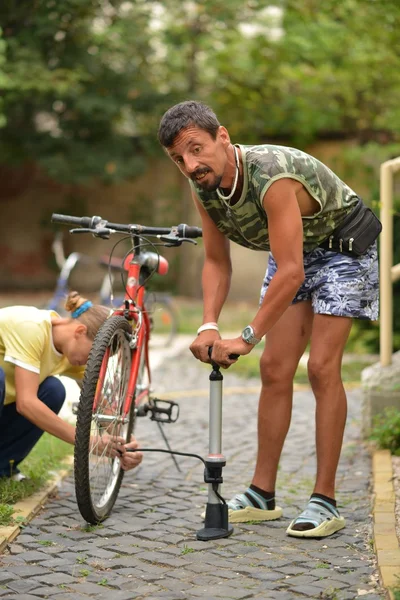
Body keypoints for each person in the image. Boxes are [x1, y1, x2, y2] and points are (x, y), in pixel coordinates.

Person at [158, 100, 380, 538]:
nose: (190, 164)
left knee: (320, 368)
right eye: (178, 159)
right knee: (274, 368)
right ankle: (263, 494)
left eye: (197, 149)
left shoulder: (269, 174)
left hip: (344, 249)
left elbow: (292, 269)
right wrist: (207, 323)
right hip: (292, 253)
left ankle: (326, 499)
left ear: (222, 136)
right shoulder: (201, 186)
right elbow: (218, 263)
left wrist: (245, 335)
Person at [0, 291, 143, 480]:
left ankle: (3, 467)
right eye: (94, 355)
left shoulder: (72, 355)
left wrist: (126, 442)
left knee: (53, 390)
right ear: (80, 331)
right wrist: (87, 441)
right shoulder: (32, 327)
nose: (95, 363)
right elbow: (26, 403)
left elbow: (99, 402)